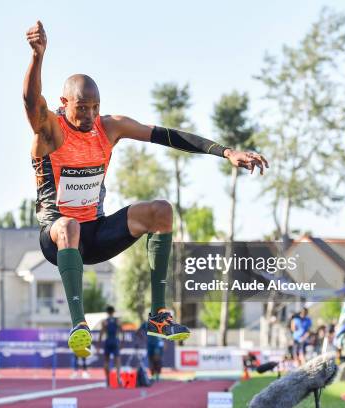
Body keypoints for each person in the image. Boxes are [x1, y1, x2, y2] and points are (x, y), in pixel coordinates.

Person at [24, 21, 268, 357]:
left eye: (95, 107)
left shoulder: (108, 127)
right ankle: (79, 323)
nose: (90, 115)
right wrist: (37, 57)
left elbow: (166, 135)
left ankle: (158, 315)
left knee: (161, 211)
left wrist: (225, 152)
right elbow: (29, 99)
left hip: (96, 233)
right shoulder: (49, 130)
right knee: (68, 224)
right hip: (58, 238)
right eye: (82, 108)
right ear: (63, 102)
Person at [98, 306, 121, 386]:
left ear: (107, 312)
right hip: (115, 340)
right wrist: (123, 343)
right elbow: (122, 331)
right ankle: (118, 377)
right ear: (113, 312)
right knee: (117, 361)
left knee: (106, 361)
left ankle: (108, 379)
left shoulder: (105, 321)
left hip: (108, 341)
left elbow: (101, 333)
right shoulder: (117, 320)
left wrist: (98, 345)